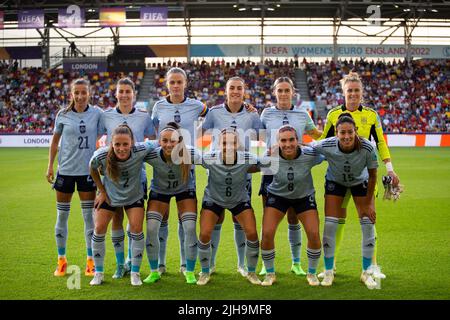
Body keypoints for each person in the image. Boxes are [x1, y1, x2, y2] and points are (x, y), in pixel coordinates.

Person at [317, 72, 400, 279]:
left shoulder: (372, 115)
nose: (353, 94)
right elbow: (323, 141)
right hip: (338, 177)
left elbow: (380, 142)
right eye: (349, 91)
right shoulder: (333, 115)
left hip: (364, 177)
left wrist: (389, 168)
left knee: (369, 219)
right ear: (343, 92)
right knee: (337, 220)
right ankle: (331, 265)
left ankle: (371, 265)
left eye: (356, 91)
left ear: (361, 93)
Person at [259, 76, 322, 277]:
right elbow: (257, 136)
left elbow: (316, 134)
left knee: (294, 218)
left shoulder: (303, 114)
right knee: (269, 219)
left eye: (287, 90)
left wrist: (334, 133)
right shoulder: (266, 113)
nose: (284, 94)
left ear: (293, 92)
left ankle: (296, 263)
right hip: (271, 169)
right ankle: (266, 264)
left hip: (296, 168)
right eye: (280, 91)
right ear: (275, 92)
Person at [202, 76, 262, 277]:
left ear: (244, 91)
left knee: (240, 221)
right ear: (225, 92)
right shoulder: (214, 112)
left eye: (239, 88)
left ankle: (242, 264)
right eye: (232, 88)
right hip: (218, 172)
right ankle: (209, 264)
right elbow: (199, 132)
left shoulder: (252, 115)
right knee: (215, 219)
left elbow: (263, 138)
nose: (235, 91)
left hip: (241, 173)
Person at [150, 67, 207, 276]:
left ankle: (185, 265)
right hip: (163, 169)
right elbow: (154, 131)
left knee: (186, 223)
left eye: (179, 82)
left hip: (186, 169)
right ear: (167, 84)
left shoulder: (196, 105)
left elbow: (214, 113)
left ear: (185, 84)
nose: (175, 86)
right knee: (161, 221)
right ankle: (161, 264)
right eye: (172, 82)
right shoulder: (158, 106)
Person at [312, 114, 379, 289]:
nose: (347, 136)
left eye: (350, 132)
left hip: (361, 183)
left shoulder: (367, 147)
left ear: (356, 130)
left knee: (367, 224)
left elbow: (373, 176)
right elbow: (308, 148)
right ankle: (328, 271)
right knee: (330, 225)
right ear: (336, 132)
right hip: (336, 183)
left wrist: (368, 203)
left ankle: (366, 272)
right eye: (343, 133)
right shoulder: (327, 144)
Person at [99, 78, 155, 279]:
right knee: (117, 219)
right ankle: (120, 264)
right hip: (113, 177)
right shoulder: (105, 116)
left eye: (127, 92)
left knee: (135, 222)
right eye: (120, 91)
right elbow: (99, 142)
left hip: (136, 176)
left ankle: (132, 260)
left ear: (133, 94)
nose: (124, 95)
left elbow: (151, 142)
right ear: (116, 94)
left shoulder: (143, 117)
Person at [46, 78, 103, 277]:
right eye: (76, 92)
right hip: (65, 173)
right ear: (71, 94)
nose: (79, 96)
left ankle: (90, 261)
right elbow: (54, 143)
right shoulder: (63, 114)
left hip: (88, 173)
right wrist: (50, 166)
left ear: (89, 93)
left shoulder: (97, 114)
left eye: (83, 92)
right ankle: (61, 260)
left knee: (89, 218)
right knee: (62, 216)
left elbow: (106, 136)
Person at [89, 124, 155, 286]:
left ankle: (135, 272)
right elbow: (92, 167)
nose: (121, 148)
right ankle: (99, 273)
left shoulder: (141, 149)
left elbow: (162, 142)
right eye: (117, 144)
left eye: (125, 144)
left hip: (134, 196)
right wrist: (101, 190)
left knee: (136, 228)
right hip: (110, 196)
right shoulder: (102, 155)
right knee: (99, 228)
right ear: (111, 143)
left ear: (132, 142)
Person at [196, 128, 261, 286]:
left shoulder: (247, 157)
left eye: (233, 142)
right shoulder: (209, 158)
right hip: (214, 199)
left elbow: (265, 164)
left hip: (239, 200)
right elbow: (191, 156)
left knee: (252, 233)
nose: (229, 146)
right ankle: (205, 272)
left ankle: (251, 271)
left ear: (238, 144)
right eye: (225, 142)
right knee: (204, 234)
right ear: (218, 144)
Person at [260, 125, 323, 286]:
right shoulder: (270, 156)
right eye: (283, 140)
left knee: (314, 233)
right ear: (277, 142)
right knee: (267, 233)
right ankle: (270, 273)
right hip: (278, 196)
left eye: (291, 140)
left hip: (303, 197)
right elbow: (252, 165)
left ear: (298, 140)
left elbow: (330, 154)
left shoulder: (310, 155)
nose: (288, 144)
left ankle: (312, 273)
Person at [142, 122, 199, 285]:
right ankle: (155, 271)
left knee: (189, 228)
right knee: (152, 228)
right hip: (160, 190)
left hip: (184, 190)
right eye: (164, 141)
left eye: (172, 141)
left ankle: (189, 270)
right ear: (159, 141)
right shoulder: (151, 154)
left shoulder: (189, 153)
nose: (168, 144)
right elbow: (131, 154)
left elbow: (211, 160)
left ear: (179, 141)